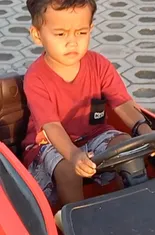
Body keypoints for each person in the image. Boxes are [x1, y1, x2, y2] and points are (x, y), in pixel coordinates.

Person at [23, 0, 153, 215]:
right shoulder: (36, 78)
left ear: (91, 30)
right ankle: (79, 222)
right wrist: (74, 155)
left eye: (81, 32)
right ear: (37, 35)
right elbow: (51, 126)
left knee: (127, 146)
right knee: (68, 171)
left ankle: (131, 209)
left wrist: (145, 132)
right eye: (61, 34)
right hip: (49, 143)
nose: (72, 42)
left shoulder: (99, 64)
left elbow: (123, 103)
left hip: (93, 134)